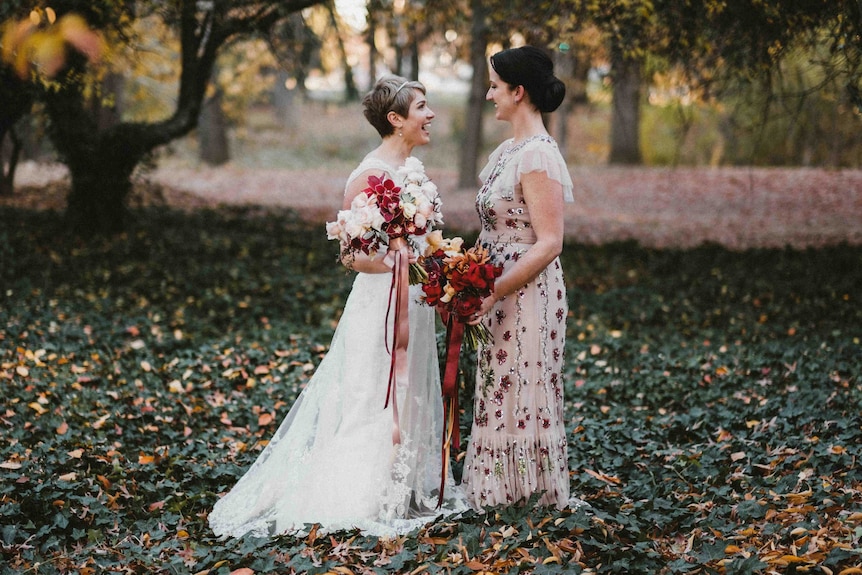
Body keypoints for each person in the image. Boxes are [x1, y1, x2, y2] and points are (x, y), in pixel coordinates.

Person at [208, 75, 466, 538]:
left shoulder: (415, 170)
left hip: (417, 299)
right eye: (422, 107)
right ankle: (358, 493)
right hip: (381, 304)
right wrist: (396, 260)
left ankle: (400, 487)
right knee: (374, 393)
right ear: (396, 119)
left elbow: (423, 237)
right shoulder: (367, 175)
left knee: (411, 395)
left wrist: (439, 262)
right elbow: (351, 255)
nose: (430, 115)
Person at [462, 46, 574, 509]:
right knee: (496, 382)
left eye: (494, 86)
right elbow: (495, 226)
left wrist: (494, 289)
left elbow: (549, 243)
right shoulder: (507, 151)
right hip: (495, 286)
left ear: (518, 91)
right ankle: (494, 488)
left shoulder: (539, 157)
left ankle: (528, 490)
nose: (489, 95)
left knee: (522, 382)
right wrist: (464, 271)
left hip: (526, 292)